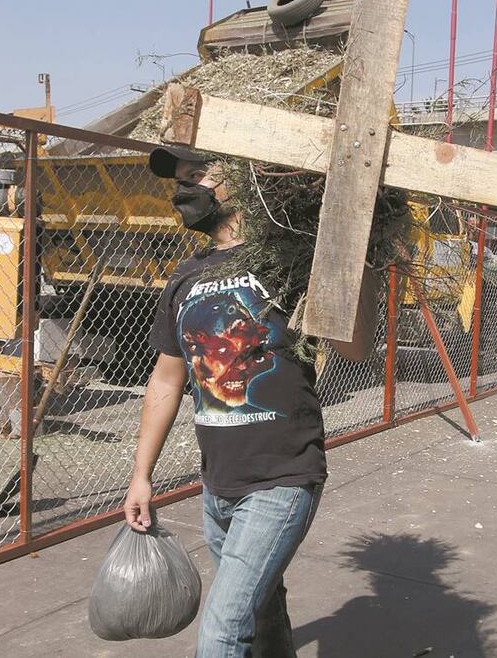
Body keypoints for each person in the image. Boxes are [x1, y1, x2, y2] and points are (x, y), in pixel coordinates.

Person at [123, 146, 378, 657]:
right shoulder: (184, 277)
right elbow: (167, 381)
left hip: (282, 474)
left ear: (241, 176)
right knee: (262, 611)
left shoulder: (290, 259)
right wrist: (141, 474)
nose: (184, 189)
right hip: (217, 483)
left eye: (198, 174)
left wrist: (360, 257)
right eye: (180, 179)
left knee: (223, 626)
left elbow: (355, 346)